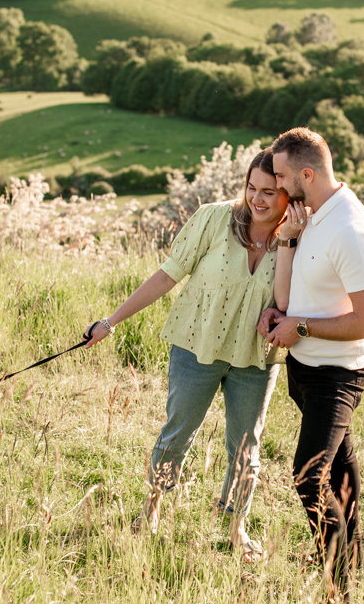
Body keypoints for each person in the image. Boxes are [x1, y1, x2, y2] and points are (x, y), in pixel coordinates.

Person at [85, 148, 299, 561]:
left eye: (270, 192)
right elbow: (168, 274)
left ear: (288, 193)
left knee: (246, 445)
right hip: (195, 346)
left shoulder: (295, 238)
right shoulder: (214, 218)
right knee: (177, 433)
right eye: (251, 188)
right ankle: (150, 511)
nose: (257, 199)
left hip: (256, 357)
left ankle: (237, 527)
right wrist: (111, 322)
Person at [259, 128, 364, 598]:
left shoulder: (352, 230)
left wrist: (302, 327)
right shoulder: (309, 216)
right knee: (340, 474)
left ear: (306, 174)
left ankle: (337, 583)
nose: (276, 186)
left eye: (282, 177)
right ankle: (348, 563)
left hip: (338, 374)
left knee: (308, 475)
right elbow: (289, 297)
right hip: (305, 370)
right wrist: (288, 243)